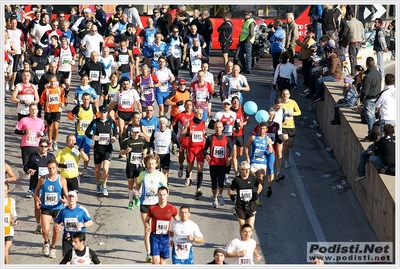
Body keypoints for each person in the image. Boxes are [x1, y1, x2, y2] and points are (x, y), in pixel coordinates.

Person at [134, 155, 167, 263]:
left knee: (156, 230)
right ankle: (149, 253)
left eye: (153, 163)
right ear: (146, 164)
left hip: (157, 206)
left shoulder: (160, 175)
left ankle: (157, 251)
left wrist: (158, 190)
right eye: (149, 163)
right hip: (145, 204)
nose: (150, 166)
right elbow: (138, 185)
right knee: (147, 229)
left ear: (157, 164)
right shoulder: (143, 174)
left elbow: (166, 190)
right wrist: (136, 190)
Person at [34, 158, 68, 259]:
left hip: (58, 208)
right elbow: (36, 191)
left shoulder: (62, 179)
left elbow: (66, 194)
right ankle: (46, 242)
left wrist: (66, 200)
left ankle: (53, 248)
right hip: (46, 207)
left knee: (56, 230)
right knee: (45, 229)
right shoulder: (43, 179)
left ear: (57, 168)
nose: (51, 170)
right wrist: (37, 199)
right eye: (49, 168)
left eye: (53, 168)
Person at [85, 106, 118, 196]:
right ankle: (98, 184)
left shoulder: (111, 122)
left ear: (107, 113)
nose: (103, 114)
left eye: (105, 113)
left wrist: (114, 138)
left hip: (107, 148)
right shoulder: (95, 122)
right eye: (101, 113)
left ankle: (104, 185)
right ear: (99, 113)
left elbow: (115, 132)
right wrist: (92, 137)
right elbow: (87, 132)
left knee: (106, 168)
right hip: (98, 148)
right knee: (97, 169)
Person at [24, 139, 55, 232]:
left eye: (46, 146)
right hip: (36, 184)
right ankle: (38, 224)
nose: (44, 148)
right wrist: (29, 170)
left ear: (48, 147)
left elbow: (55, 168)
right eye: (42, 146)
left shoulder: (51, 156)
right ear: (39, 147)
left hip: (49, 185)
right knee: (37, 206)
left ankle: (46, 225)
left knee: (47, 206)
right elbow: (26, 166)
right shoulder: (34, 157)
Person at [144, 186, 179, 264]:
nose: (162, 197)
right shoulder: (152, 208)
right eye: (160, 195)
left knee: (163, 261)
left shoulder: (172, 208)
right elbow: (146, 221)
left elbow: (178, 222)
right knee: (156, 261)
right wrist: (147, 226)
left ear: (167, 194)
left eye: (164, 194)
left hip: (166, 237)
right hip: (155, 237)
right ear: (157, 195)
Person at [54, 190, 93, 257]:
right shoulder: (63, 211)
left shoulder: (82, 210)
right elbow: (56, 222)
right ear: (67, 199)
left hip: (79, 237)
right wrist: (58, 226)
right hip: (67, 237)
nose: (71, 199)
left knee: (79, 257)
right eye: (69, 197)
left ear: (76, 199)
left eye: (73, 197)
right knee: (67, 257)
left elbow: (91, 222)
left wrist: (83, 225)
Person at [67, 92, 98, 177]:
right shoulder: (78, 107)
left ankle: (85, 170)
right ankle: (74, 168)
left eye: (87, 99)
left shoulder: (93, 107)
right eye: (84, 99)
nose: (86, 101)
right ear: (82, 99)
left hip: (88, 135)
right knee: (76, 151)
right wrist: (72, 118)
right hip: (79, 134)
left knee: (87, 152)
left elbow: (98, 115)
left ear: (90, 100)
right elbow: (69, 114)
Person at [204, 122, 233, 208]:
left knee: (221, 182)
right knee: (213, 182)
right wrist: (206, 154)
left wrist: (229, 158)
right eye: (216, 127)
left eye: (220, 127)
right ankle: (214, 199)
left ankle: (220, 195)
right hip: (213, 163)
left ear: (223, 128)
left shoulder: (226, 139)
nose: (218, 129)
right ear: (214, 128)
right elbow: (204, 149)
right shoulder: (210, 138)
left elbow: (231, 150)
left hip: (222, 164)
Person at [208, 98, 237, 185]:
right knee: (222, 156)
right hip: (221, 138)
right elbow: (210, 125)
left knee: (230, 156)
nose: (226, 106)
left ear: (230, 105)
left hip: (230, 137)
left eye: (228, 104)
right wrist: (221, 127)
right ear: (222, 105)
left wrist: (236, 127)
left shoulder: (234, 114)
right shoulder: (218, 114)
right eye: (225, 104)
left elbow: (235, 124)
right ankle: (219, 173)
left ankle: (227, 175)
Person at [244, 121, 274, 202]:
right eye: (260, 128)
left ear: (266, 130)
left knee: (261, 178)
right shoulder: (253, 137)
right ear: (258, 128)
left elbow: (271, 150)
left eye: (263, 129)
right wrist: (247, 157)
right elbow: (246, 147)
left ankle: (257, 196)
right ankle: (249, 193)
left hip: (262, 163)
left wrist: (270, 150)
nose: (261, 130)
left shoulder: (268, 139)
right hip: (253, 162)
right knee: (251, 179)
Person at [108, 76, 141, 148]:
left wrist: (140, 112)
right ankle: (122, 148)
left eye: (127, 84)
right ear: (122, 84)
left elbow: (138, 102)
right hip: (121, 114)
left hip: (130, 114)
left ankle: (132, 146)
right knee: (121, 132)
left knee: (131, 131)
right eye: (124, 84)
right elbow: (113, 103)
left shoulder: (133, 91)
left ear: (129, 84)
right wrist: (108, 112)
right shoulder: (119, 92)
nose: (126, 85)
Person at [120, 124, 147, 210]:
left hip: (139, 165)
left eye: (137, 132)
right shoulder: (127, 141)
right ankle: (131, 201)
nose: (135, 134)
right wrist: (126, 151)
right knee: (130, 184)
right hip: (130, 165)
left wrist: (144, 153)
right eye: (134, 132)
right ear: (131, 132)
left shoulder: (142, 140)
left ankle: (137, 196)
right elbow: (121, 152)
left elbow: (146, 147)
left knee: (138, 182)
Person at [228, 161, 262, 230]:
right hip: (240, 205)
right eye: (245, 169)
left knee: (250, 227)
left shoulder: (253, 178)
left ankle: (249, 240)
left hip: (251, 204)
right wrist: (231, 195)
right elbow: (229, 190)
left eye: (248, 169)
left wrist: (257, 193)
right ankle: (243, 240)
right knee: (242, 227)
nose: (247, 171)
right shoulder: (237, 180)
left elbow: (260, 186)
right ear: (241, 170)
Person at [180, 108, 206, 196]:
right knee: (190, 167)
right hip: (191, 149)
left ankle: (198, 188)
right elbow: (181, 135)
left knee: (200, 168)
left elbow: (204, 133)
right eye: (199, 114)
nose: (201, 115)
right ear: (195, 114)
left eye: (202, 114)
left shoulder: (203, 123)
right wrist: (188, 134)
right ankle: (187, 176)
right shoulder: (189, 123)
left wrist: (205, 135)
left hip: (200, 149)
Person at [149, 116, 180, 184]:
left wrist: (177, 150)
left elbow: (177, 142)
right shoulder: (155, 131)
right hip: (157, 155)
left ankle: (165, 186)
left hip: (166, 155)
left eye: (163, 123)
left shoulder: (170, 132)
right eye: (160, 123)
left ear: (166, 123)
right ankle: (157, 186)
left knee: (165, 173)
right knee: (156, 173)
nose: (162, 125)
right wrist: (151, 149)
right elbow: (151, 142)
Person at [14, 103, 45, 167]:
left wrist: (42, 134)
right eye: (32, 109)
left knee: (36, 166)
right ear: (29, 110)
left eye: (35, 109)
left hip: (36, 146)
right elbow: (16, 131)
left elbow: (44, 132)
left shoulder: (41, 121)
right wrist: (25, 132)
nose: (33, 111)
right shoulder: (24, 120)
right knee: (26, 166)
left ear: (37, 110)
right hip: (26, 146)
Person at [40, 75, 65, 151]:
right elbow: (41, 100)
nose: (52, 83)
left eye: (54, 81)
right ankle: (50, 141)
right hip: (48, 110)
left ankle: (55, 141)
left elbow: (63, 99)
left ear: (56, 82)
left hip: (57, 110)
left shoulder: (60, 89)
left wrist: (63, 103)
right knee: (50, 128)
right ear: (49, 82)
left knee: (56, 127)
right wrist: (44, 103)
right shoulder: (46, 90)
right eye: (51, 81)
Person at [170, 100, 194, 177]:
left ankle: (189, 174)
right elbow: (171, 125)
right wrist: (172, 135)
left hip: (191, 140)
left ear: (192, 106)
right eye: (187, 105)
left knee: (190, 158)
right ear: (184, 106)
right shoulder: (179, 115)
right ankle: (181, 166)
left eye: (190, 105)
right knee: (181, 157)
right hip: (181, 139)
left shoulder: (194, 116)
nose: (188, 106)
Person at [360, 57, 382, 135]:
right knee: (373, 116)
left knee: (370, 117)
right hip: (377, 97)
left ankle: (371, 133)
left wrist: (362, 99)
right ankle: (374, 133)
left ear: (366, 64)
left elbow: (365, 90)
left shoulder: (368, 76)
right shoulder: (378, 73)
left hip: (369, 98)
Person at [281, 89, 301, 169]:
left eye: (286, 94)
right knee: (285, 142)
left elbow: (299, 112)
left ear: (289, 95)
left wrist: (293, 113)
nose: (285, 96)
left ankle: (283, 148)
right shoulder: (280, 103)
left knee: (290, 145)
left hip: (291, 126)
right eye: (283, 94)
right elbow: (274, 111)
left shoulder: (293, 102)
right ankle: (286, 160)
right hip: (283, 126)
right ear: (281, 95)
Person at [230, 96, 250, 176]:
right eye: (234, 101)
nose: (235, 103)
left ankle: (233, 160)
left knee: (240, 154)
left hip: (240, 134)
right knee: (234, 153)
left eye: (237, 101)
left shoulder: (242, 110)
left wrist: (243, 123)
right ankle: (236, 171)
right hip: (232, 135)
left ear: (239, 102)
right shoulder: (230, 110)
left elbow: (248, 120)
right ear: (232, 103)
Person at [296, 25, 317, 95]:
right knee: (305, 71)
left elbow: (306, 46)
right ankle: (305, 83)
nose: (306, 31)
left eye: (307, 30)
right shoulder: (307, 37)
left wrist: (298, 42)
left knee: (307, 71)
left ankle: (307, 84)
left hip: (307, 57)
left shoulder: (311, 38)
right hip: (304, 57)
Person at [342, 9, 364, 75]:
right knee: (355, 58)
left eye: (348, 16)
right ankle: (356, 72)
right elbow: (363, 34)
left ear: (350, 15)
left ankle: (354, 73)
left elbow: (344, 34)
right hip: (359, 43)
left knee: (352, 59)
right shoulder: (360, 23)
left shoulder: (349, 23)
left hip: (353, 43)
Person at [4, 182, 19, 264]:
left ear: (8, 190)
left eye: (4, 190)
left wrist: (15, 221)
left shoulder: (11, 201)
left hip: (8, 231)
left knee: (5, 253)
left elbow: (14, 214)